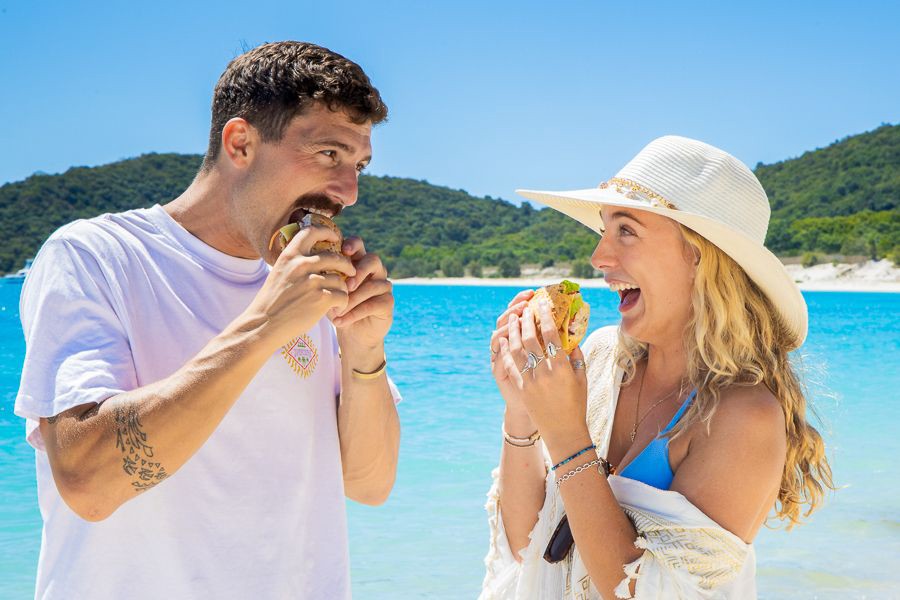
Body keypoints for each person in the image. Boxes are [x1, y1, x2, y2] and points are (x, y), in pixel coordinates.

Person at [14, 41, 401, 599]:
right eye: (328, 155)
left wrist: (364, 349)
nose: (349, 192)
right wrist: (265, 325)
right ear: (240, 142)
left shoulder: (307, 280)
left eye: (359, 165)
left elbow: (369, 483)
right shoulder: (96, 256)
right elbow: (87, 483)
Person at [482, 136, 834, 599]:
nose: (599, 257)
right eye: (603, 231)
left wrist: (566, 435)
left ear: (699, 256)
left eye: (626, 230)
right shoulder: (603, 356)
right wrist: (523, 414)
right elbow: (526, 546)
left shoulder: (742, 416)